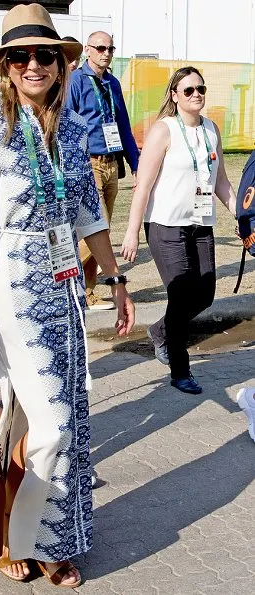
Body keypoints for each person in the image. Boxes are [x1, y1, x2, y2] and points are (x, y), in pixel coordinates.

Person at [0, 3, 135, 587]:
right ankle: (27, 538)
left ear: (61, 64)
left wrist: (115, 279)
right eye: (21, 56)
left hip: (64, 291)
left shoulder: (73, 130)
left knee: (49, 415)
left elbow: (88, 214)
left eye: (46, 55)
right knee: (53, 423)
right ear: (5, 67)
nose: (34, 65)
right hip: (10, 294)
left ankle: (40, 536)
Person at [121, 66, 236, 394]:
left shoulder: (212, 129)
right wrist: (131, 232)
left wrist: (244, 217)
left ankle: (161, 331)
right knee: (182, 292)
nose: (196, 94)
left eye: (201, 88)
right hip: (165, 224)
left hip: (200, 225)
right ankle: (179, 368)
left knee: (206, 293)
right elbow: (142, 185)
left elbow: (222, 183)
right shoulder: (164, 130)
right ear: (174, 95)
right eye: (188, 90)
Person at [67, 31, 139, 310]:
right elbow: (68, 126)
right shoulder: (75, 82)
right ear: (87, 50)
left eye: (110, 48)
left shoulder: (113, 83)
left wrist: (136, 164)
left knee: (100, 228)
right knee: (99, 229)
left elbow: (123, 126)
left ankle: (88, 291)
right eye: (100, 48)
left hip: (112, 164)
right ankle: (59, 269)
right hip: (88, 164)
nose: (106, 53)